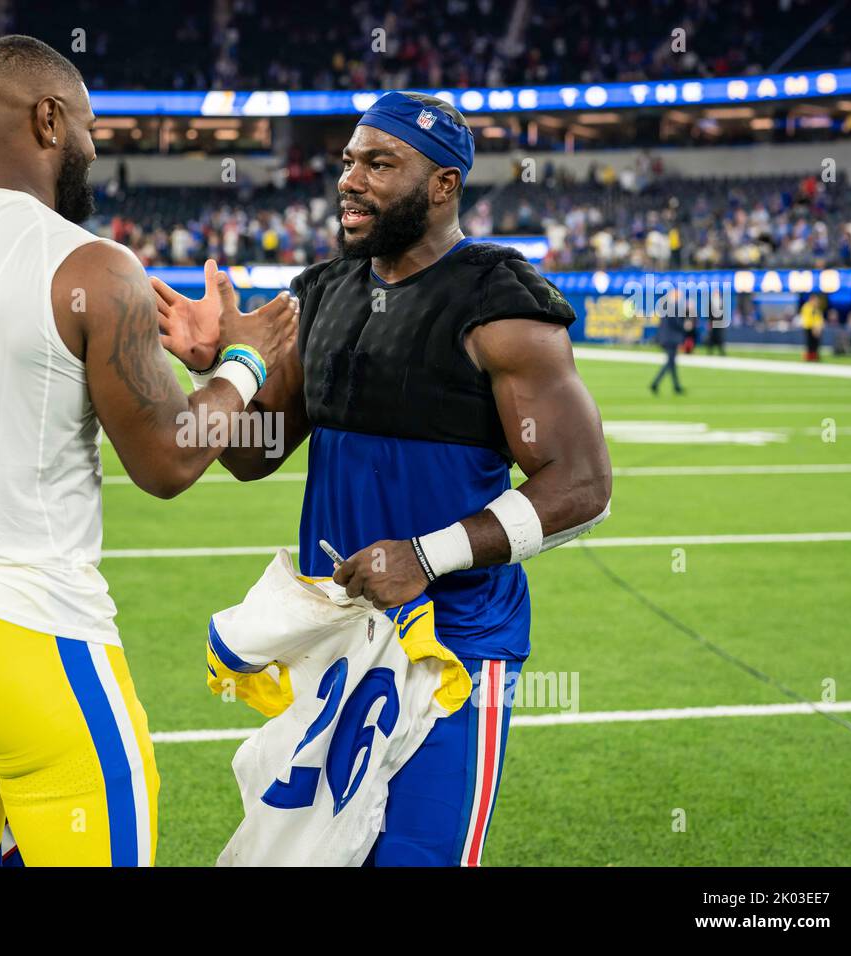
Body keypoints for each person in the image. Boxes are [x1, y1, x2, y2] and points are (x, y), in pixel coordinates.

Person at [0, 35, 295, 867]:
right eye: (87, 127)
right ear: (49, 119)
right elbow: (169, 460)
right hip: (33, 638)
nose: (90, 147)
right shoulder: (91, 262)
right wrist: (246, 361)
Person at [156, 91, 612, 866]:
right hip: (336, 637)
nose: (350, 180)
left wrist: (427, 556)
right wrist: (221, 367)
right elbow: (252, 454)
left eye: (379, 162)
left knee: (411, 857)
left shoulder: (499, 303)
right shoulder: (323, 292)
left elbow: (581, 484)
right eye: (347, 162)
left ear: (443, 184)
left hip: (454, 649)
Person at [650, 289, 690, 395]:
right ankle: (655, 383)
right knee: (670, 362)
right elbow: (677, 323)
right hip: (671, 339)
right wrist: (686, 324)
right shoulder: (673, 307)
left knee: (671, 363)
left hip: (666, 338)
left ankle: (676, 386)